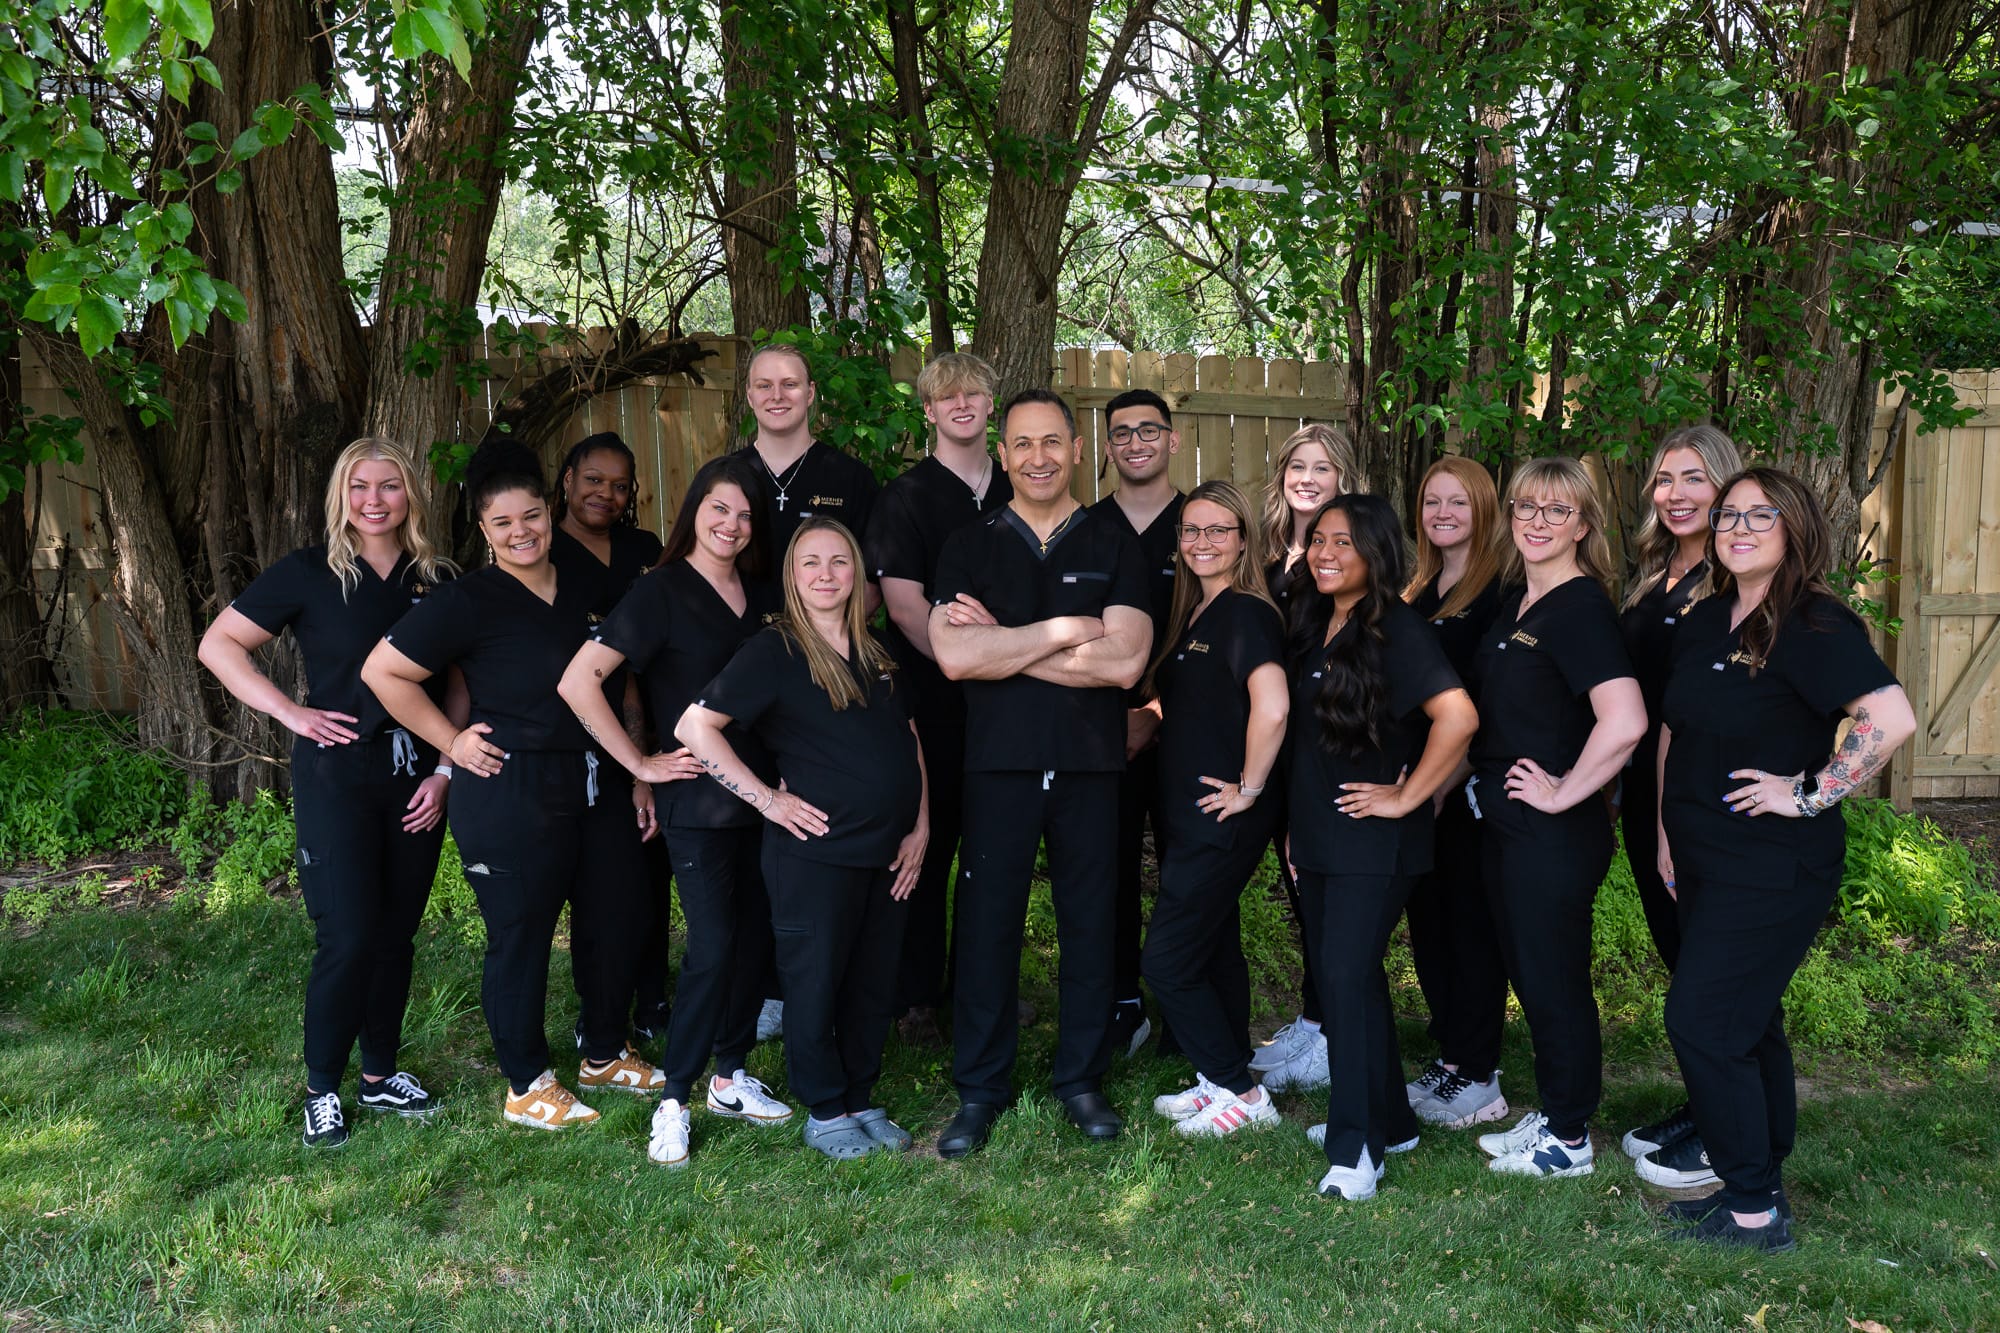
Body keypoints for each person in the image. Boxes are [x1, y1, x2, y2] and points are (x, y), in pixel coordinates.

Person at [362, 441, 663, 1133]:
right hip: (511, 785)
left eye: (531, 516)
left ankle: (604, 1051)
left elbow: (620, 684)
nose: (521, 531)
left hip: (597, 780)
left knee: (616, 916)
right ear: (484, 529)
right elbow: (383, 671)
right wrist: (451, 742)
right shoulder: (468, 599)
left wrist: (637, 769)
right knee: (522, 933)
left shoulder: (587, 589)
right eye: (503, 523)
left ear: (549, 514)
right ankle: (526, 1084)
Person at [1655, 467, 1913, 1251]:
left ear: (1794, 527)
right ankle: (1760, 1179)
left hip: (1771, 864)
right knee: (1748, 1018)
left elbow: (1889, 718)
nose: (1737, 529)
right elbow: (1676, 731)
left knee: (1702, 1020)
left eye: (1758, 515)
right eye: (1728, 515)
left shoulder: (1813, 622)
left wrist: (1807, 794)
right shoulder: (1707, 618)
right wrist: (1665, 835)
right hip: (1701, 856)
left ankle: (1752, 1211)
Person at [198, 437, 460, 1148]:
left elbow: (459, 683)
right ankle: (322, 1088)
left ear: (411, 495)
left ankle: (379, 1075)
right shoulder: (309, 572)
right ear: (341, 495)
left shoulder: (438, 578)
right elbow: (219, 644)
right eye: (359, 486)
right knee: (347, 935)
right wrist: (290, 712)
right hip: (338, 776)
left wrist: (444, 770)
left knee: (396, 933)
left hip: (417, 777)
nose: (375, 500)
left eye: (390, 486)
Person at [928, 388, 1152, 1157]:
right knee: (986, 928)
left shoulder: (1115, 544)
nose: (1038, 457)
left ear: (1078, 450)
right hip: (999, 764)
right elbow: (954, 655)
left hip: (1091, 765)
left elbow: (1124, 662)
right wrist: (1066, 631)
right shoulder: (969, 544)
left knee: (1091, 925)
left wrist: (1007, 645)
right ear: (1002, 454)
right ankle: (980, 1089)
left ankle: (1081, 1080)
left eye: (1053, 441)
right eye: (1022, 443)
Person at [557, 456, 794, 1167]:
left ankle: (729, 1077)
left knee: (753, 943)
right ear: (694, 510)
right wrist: (640, 764)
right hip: (698, 801)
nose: (732, 525)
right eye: (719, 508)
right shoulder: (659, 591)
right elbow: (579, 681)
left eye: (746, 515)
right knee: (714, 946)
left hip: (768, 797)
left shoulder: (764, 594)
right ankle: (675, 1099)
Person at [676, 518, 930, 1160]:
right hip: (814, 854)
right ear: (792, 575)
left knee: (872, 981)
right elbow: (695, 728)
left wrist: (922, 825)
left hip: (891, 852)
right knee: (814, 984)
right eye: (810, 562)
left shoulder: (877, 652)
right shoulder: (776, 651)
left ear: (857, 573)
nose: (825, 574)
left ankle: (861, 1098)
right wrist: (768, 799)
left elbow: (909, 739)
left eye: (839, 561)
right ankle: (825, 1109)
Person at [1285, 495, 1479, 1199]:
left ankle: (1357, 1150)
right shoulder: (1317, 619)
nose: (1325, 553)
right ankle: (1391, 1120)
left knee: (1343, 979)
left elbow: (1459, 718)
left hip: (1375, 843)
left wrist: (1406, 796)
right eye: (1319, 539)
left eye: (1344, 542)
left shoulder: (1397, 627)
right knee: (1351, 978)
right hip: (1320, 834)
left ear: (1376, 551)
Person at [1469, 457, 1647, 1179]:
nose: (1538, 521)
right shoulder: (1519, 599)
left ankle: (1569, 1138)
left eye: (1557, 510)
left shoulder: (1579, 609)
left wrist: (1564, 791)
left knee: (1554, 981)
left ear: (1583, 525)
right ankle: (1554, 1111)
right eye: (1527, 507)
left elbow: (1625, 720)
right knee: (1531, 975)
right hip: (1508, 826)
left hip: (1553, 833)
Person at [731, 341, 882, 1040]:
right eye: (764, 384)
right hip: (747, 675)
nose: (777, 394)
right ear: (749, 394)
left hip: (823, 680)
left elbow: (872, 582)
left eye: (790, 383)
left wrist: (829, 644)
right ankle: (760, 983)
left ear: (812, 392)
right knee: (755, 830)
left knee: (813, 825)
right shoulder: (728, 476)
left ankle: (822, 983)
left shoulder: (848, 476)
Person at [865, 352, 1013, 1047]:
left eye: (973, 393)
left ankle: (981, 988)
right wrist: (972, 661)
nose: (961, 404)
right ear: (927, 410)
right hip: (932, 697)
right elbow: (900, 605)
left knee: (996, 852)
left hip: (1013, 702)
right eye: (946, 396)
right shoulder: (906, 496)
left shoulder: (1019, 487)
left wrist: (1007, 665)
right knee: (928, 845)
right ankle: (915, 995)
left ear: (990, 405)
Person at [1138, 481, 1288, 1137]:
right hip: (1188, 812)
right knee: (1214, 946)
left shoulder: (1247, 613)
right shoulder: (1197, 611)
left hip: (1223, 814)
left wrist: (1248, 788)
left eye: (1218, 529)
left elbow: (1273, 706)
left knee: (1167, 960)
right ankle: (1217, 1077)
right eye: (1191, 530)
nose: (1203, 541)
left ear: (1243, 540)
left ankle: (1243, 1094)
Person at [1614, 425, 1743, 1187]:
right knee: (1682, 957)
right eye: (1665, 480)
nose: (1676, 494)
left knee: (1714, 972)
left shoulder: (1735, 581)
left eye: (1694, 478)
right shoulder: (1654, 575)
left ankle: (1731, 1128)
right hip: (1645, 793)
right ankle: (1705, 1105)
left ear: (1725, 486)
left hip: (1701, 799)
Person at [547, 430, 674, 1049]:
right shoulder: (541, 549)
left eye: (620, 485)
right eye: (593, 480)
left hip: (647, 723)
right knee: (598, 888)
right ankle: (597, 1008)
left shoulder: (645, 550)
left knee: (651, 873)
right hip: (575, 735)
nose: (606, 493)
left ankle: (653, 999)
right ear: (567, 480)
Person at [1399, 456, 1511, 1130]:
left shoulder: (1500, 591)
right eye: (1432, 502)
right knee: (1430, 923)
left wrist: (1442, 781)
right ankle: (1450, 1057)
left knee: (1471, 928)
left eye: (1458, 502)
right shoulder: (1419, 588)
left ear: (1484, 509)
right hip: (1420, 789)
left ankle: (1480, 1073)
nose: (1442, 513)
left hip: (1464, 790)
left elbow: (1486, 704)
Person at [1250, 423, 1363, 1094]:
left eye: (1323, 467)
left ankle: (1330, 1034)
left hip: (1324, 746)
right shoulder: (1266, 557)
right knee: (1300, 889)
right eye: (1298, 465)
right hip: (1273, 743)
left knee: (1318, 887)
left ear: (1343, 478)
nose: (1308, 478)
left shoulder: (1347, 558)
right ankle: (1314, 1016)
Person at [1091, 388, 1186, 1056]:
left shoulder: (1201, 524)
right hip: (1104, 731)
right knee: (1109, 869)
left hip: (1187, 729)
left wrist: (1156, 710)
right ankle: (1123, 1002)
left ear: (1173, 440)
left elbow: (1224, 635)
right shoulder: (1087, 527)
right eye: (1122, 433)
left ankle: (1185, 1007)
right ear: (1107, 447)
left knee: (1187, 872)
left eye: (1149, 430)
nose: (1135, 442)